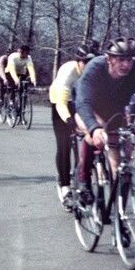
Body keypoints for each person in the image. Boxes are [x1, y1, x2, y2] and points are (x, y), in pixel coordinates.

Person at [73, 37, 135, 209]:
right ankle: (83, 179)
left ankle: (120, 210)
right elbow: (83, 102)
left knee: (121, 158)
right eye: (121, 60)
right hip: (87, 107)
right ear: (109, 59)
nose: (126, 65)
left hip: (114, 110)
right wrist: (94, 128)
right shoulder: (95, 67)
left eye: (129, 60)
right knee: (94, 136)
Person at [48, 44, 98, 206]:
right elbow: (61, 103)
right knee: (64, 144)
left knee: (91, 137)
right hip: (60, 102)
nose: (88, 66)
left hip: (80, 103)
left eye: (91, 62)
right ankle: (64, 186)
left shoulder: (94, 72)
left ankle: (83, 176)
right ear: (78, 61)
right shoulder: (69, 72)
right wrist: (69, 120)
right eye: (85, 62)